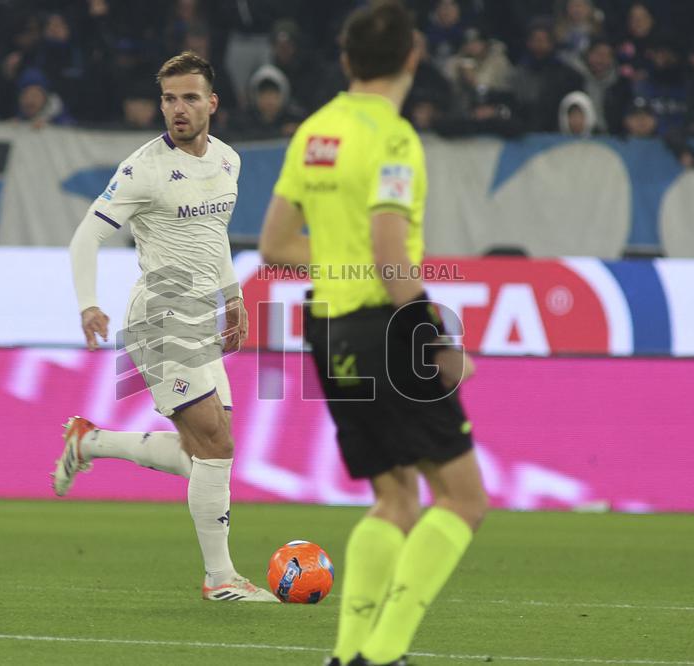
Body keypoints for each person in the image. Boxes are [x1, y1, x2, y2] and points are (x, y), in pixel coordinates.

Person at [259, 3, 488, 665]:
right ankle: (383, 654)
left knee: (394, 498)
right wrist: (435, 340)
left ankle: (348, 653)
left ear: (345, 59)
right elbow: (390, 256)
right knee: (463, 498)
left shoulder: (314, 131)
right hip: (387, 330)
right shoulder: (393, 139)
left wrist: (341, 263)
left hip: (327, 331)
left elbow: (275, 245)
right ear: (413, 56)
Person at [56, 51, 275, 603]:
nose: (178, 109)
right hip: (160, 318)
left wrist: (234, 297)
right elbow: (86, 236)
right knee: (216, 446)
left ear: (212, 103)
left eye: (189, 98)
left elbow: (214, 238)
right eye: (169, 99)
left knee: (204, 452)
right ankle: (221, 579)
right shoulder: (143, 170)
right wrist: (88, 304)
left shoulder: (228, 161)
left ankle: (90, 442)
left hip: (201, 318)